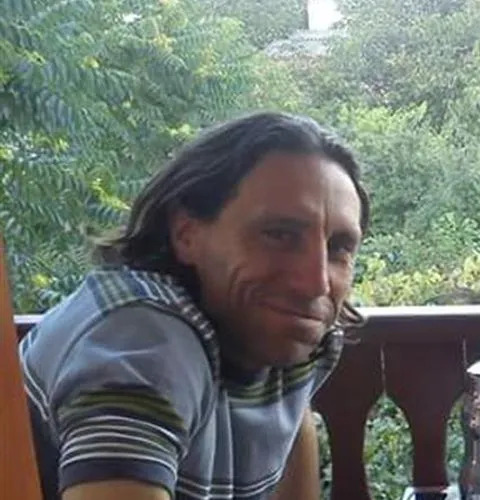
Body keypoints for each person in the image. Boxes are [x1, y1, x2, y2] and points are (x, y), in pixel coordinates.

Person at [19, 111, 370, 500]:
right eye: (278, 235)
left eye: (339, 247)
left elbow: (288, 417)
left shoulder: (273, 336)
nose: (316, 283)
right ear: (186, 233)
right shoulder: (142, 345)